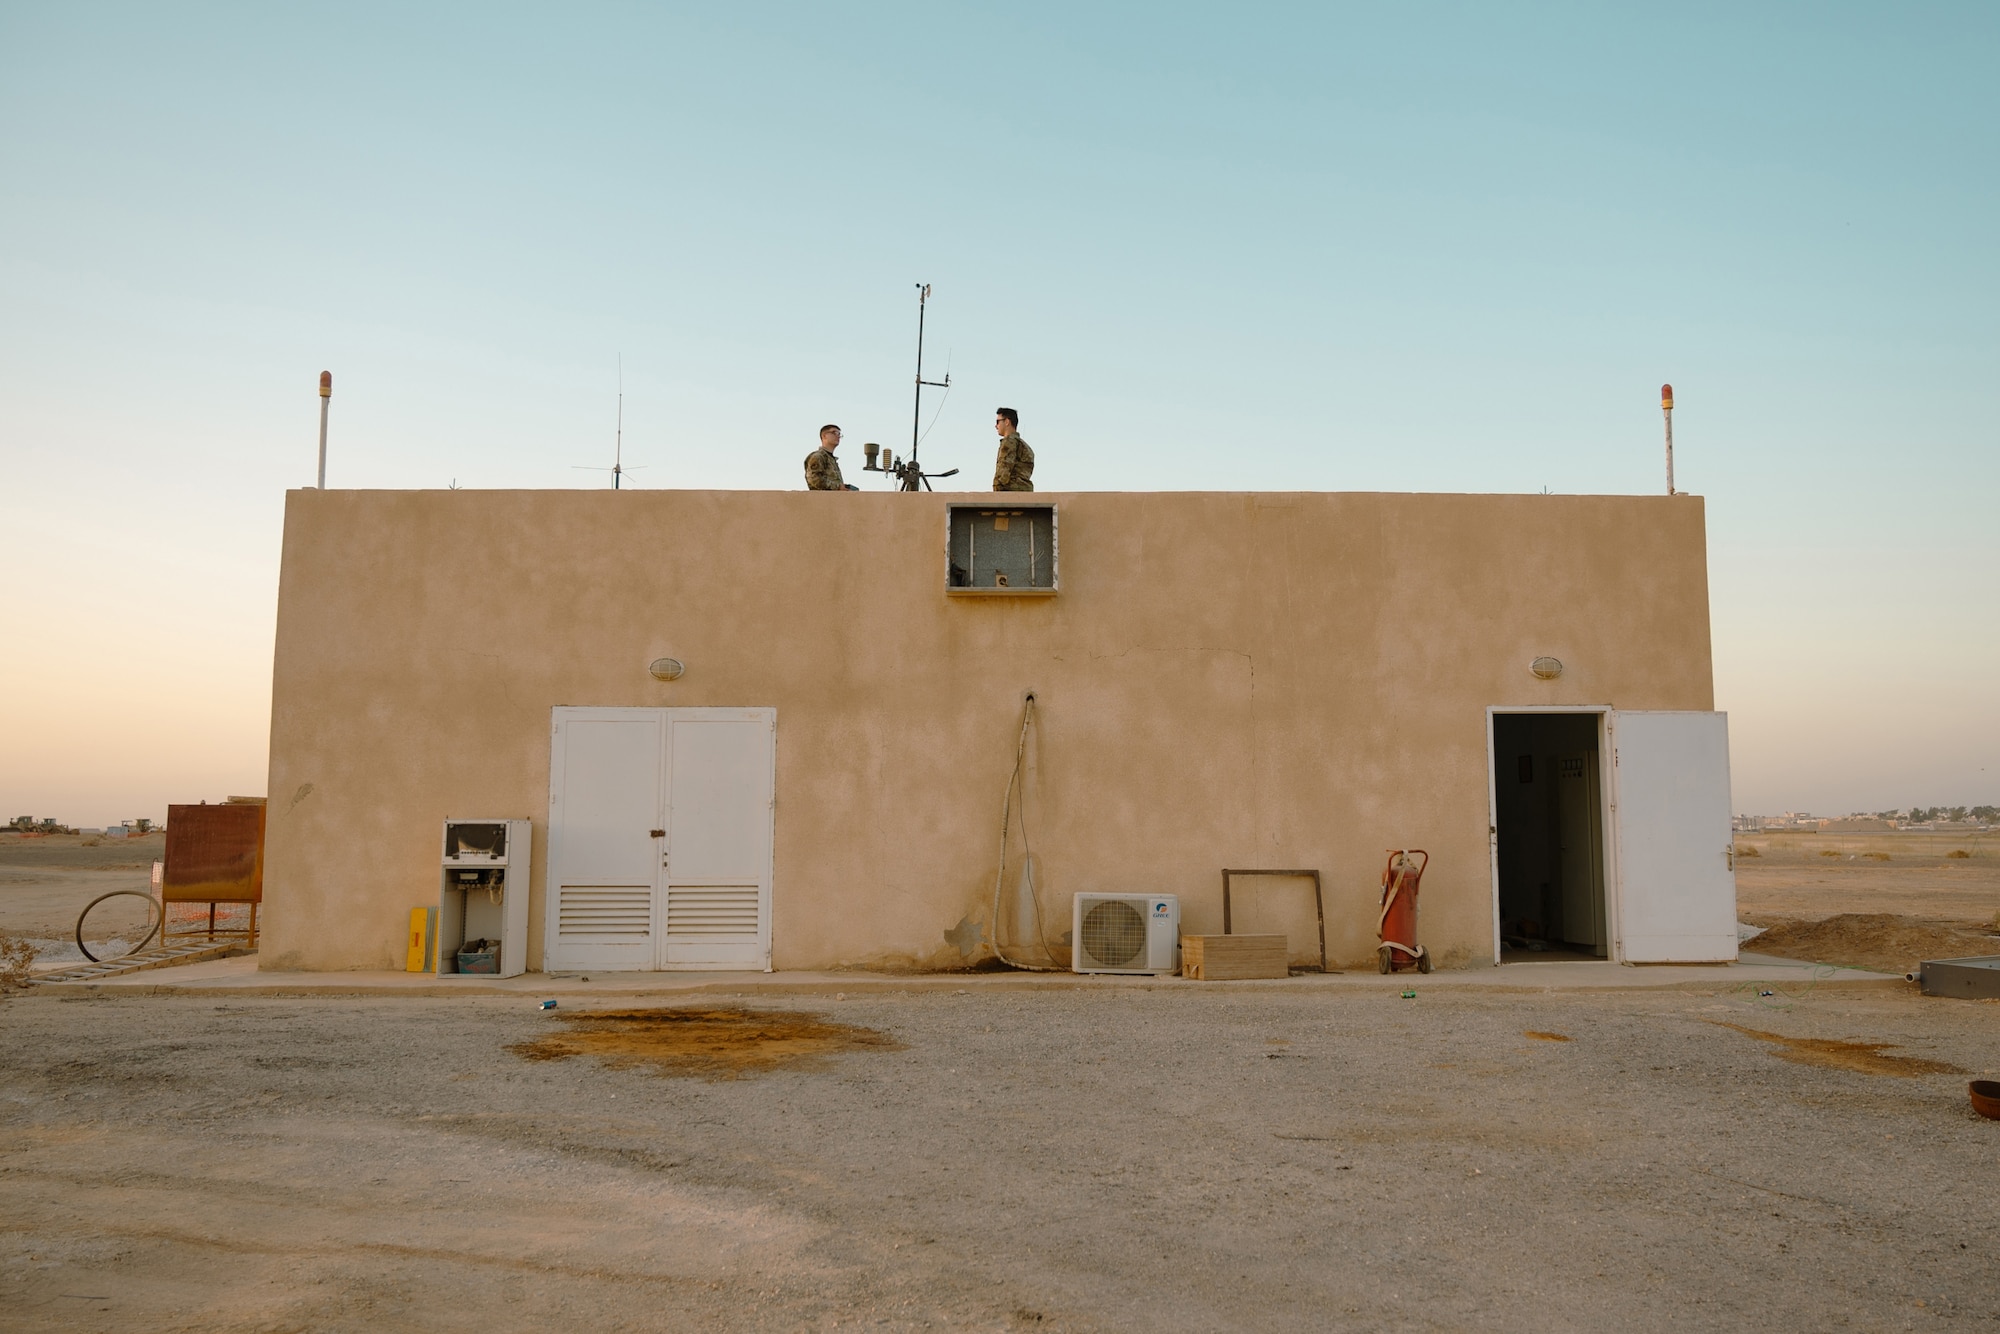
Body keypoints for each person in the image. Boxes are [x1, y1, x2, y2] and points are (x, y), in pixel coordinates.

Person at [992, 408, 1034, 491]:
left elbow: (1003, 471)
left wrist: (996, 492)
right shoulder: (1025, 446)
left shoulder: (1009, 442)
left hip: (1010, 493)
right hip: (1025, 492)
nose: (996, 426)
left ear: (1007, 422)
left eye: (998, 422)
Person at [805, 425, 858, 491]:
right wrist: (838, 487)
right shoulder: (818, 456)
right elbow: (814, 479)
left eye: (839, 434)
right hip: (821, 499)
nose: (838, 436)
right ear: (824, 436)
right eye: (834, 433)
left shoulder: (831, 459)